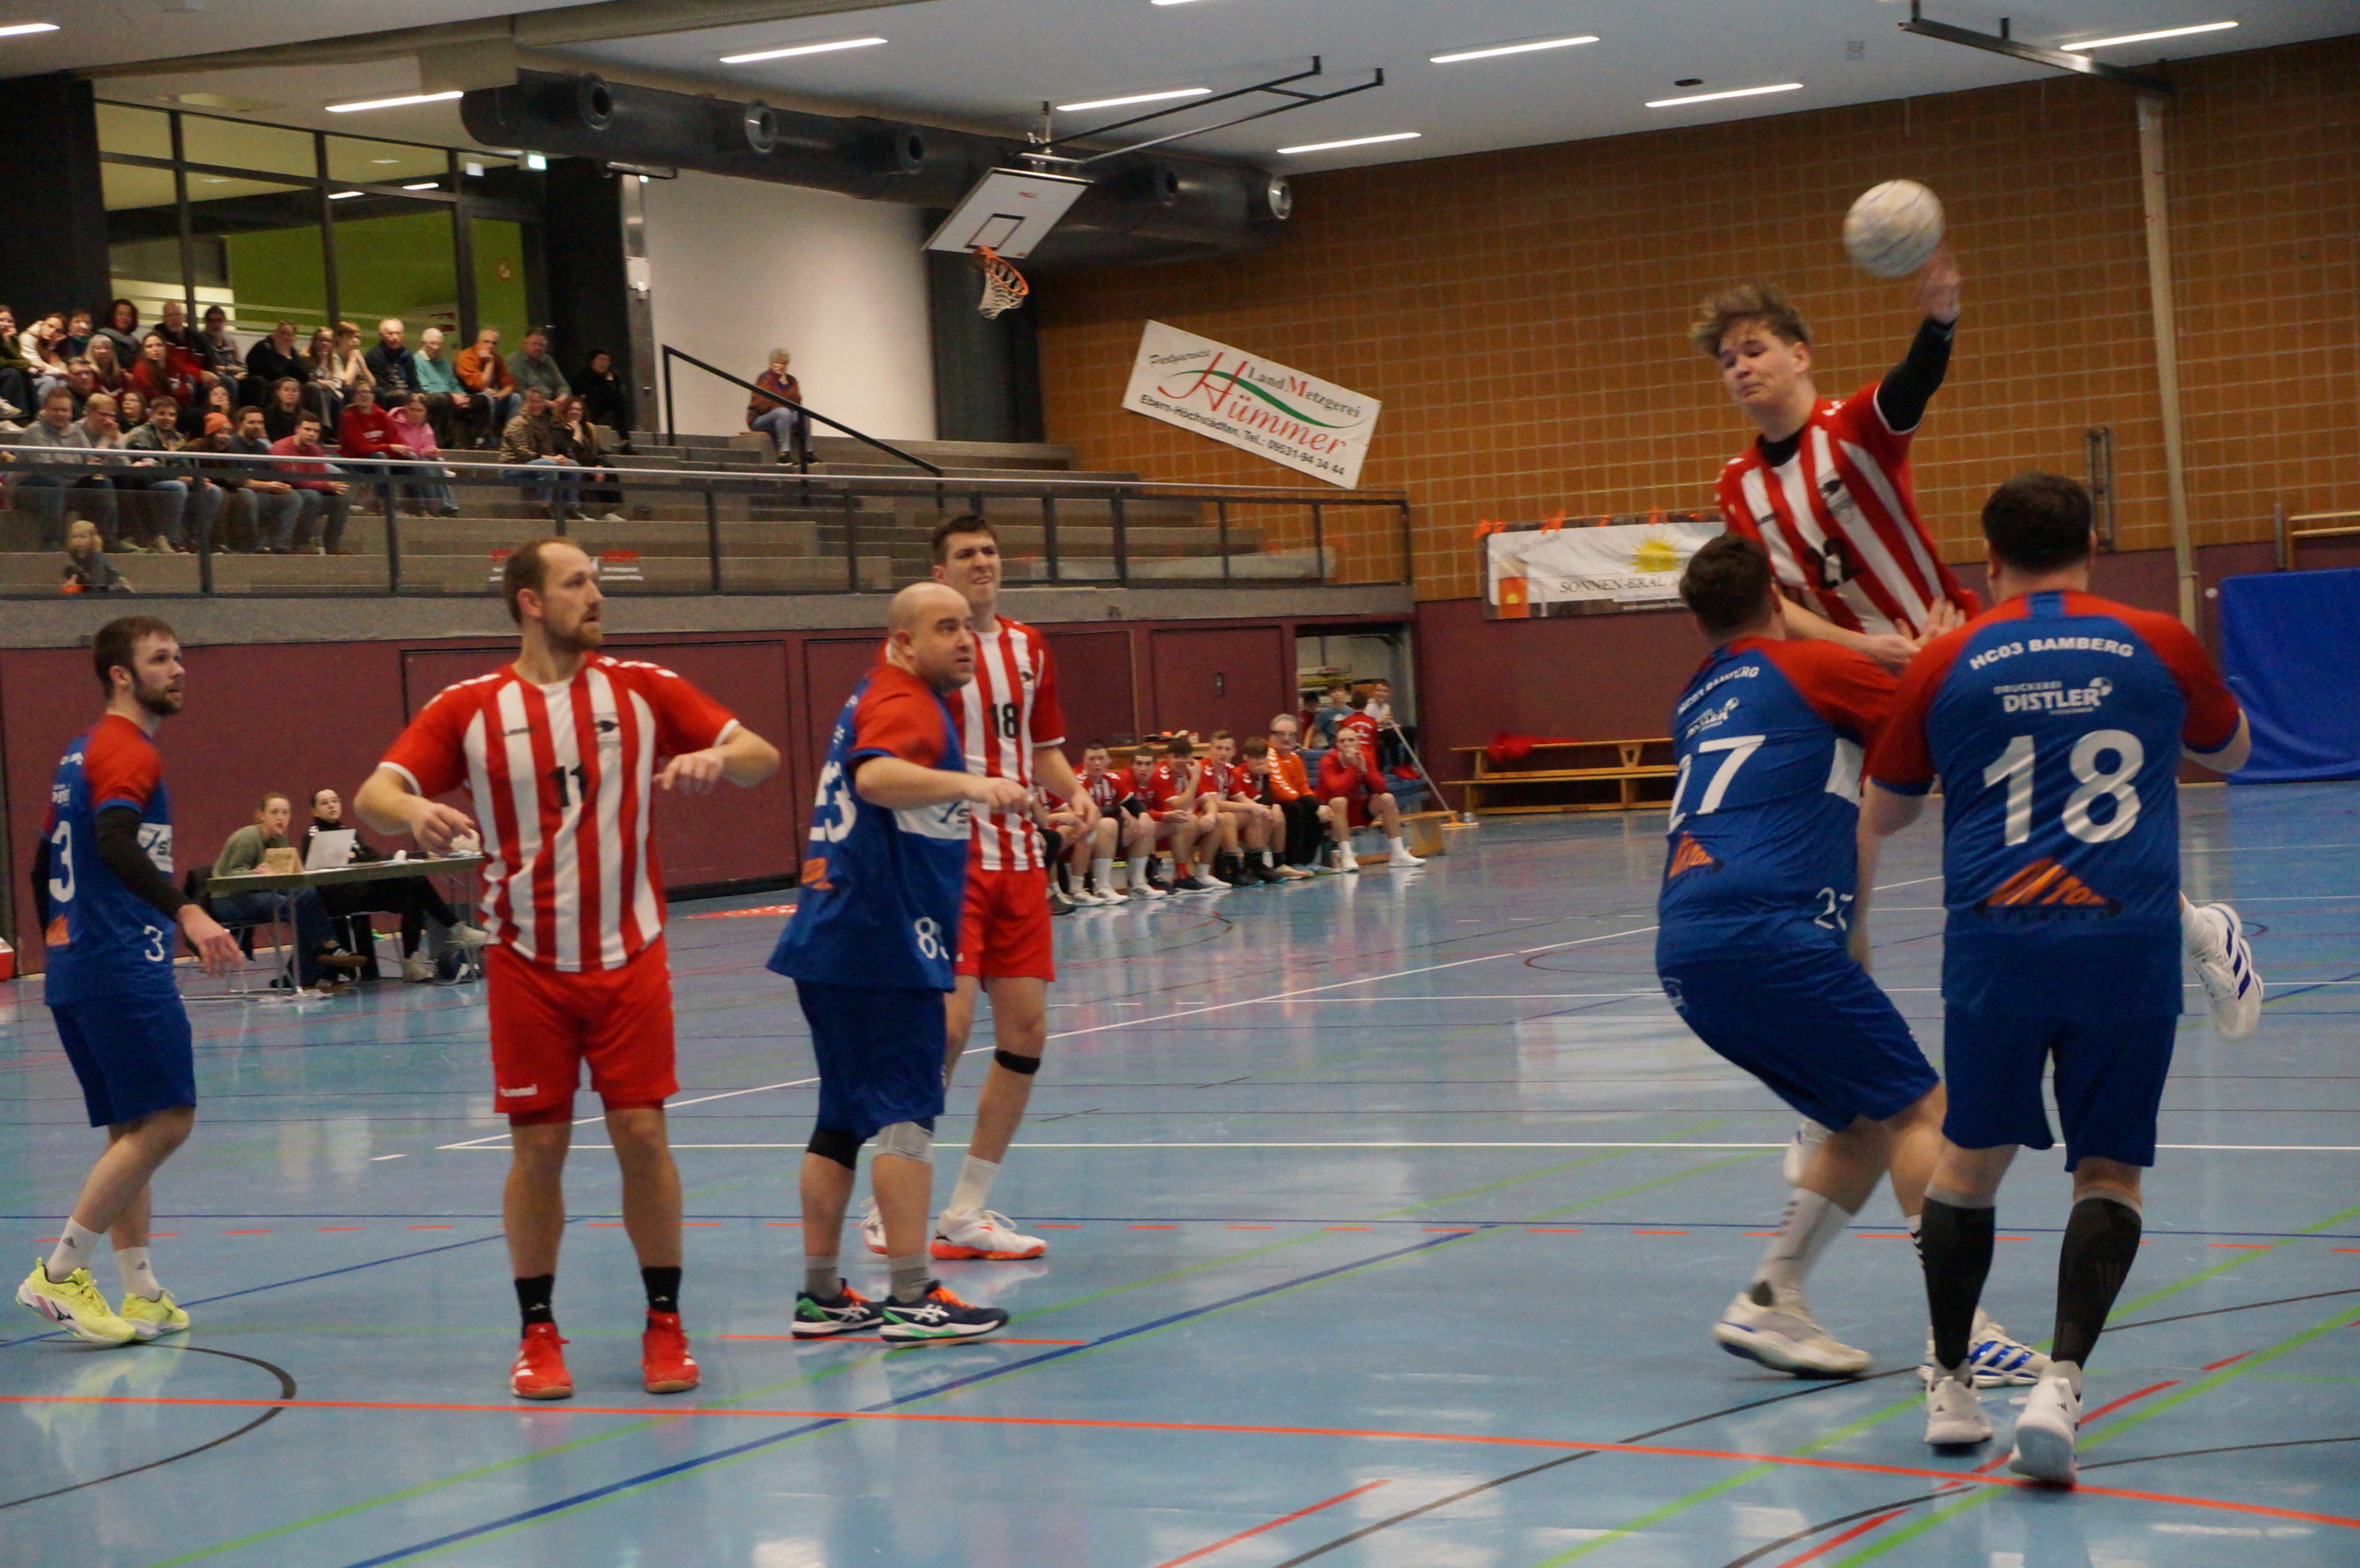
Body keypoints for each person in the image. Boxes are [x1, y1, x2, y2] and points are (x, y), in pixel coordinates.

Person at [1863, 473, 2258, 1481]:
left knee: (1967, 1163)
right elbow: (2232, 751)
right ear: (2092, 546)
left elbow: (1890, 806)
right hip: (2123, 942)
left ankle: (1952, 1387)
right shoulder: (2157, 639)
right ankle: (2061, 1385)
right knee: (2109, 1171)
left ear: (1988, 559)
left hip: (1994, 944)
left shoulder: (1947, 655)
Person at [355, 536, 781, 1400]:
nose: (596, 594)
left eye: (597, 580)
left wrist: (717, 757)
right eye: (577, 581)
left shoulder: (642, 687)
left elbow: (761, 754)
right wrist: (414, 807)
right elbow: (375, 795)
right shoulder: (469, 706)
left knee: (644, 1136)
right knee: (539, 1146)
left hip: (629, 953)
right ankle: (538, 1330)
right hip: (526, 960)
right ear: (530, 601)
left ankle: (665, 1322)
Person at [1655, 534, 2041, 1385]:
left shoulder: (1697, 696)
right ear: (1777, 598)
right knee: (1923, 1113)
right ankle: (1964, 1333)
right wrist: (1934, 649)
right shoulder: (1811, 668)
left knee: (1859, 1124)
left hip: (1688, 944)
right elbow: (1943, 712)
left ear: (1695, 619)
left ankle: (1770, 1297)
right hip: (1768, 930)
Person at [773, 582, 1029, 1342]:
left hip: (831, 936)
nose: (964, 638)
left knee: (839, 1120)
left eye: (967, 625)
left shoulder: (876, 691)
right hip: (881, 940)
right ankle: (914, 1294)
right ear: (903, 642)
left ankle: (821, 1293)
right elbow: (876, 778)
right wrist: (974, 783)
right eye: (945, 627)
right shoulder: (904, 700)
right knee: (906, 1114)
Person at [851, 515, 1076, 1265]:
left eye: (990, 550)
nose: (983, 561)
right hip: (948, 860)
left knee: (1026, 1033)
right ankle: (889, 1203)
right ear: (939, 574)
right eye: (966, 554)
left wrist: (1076, 795)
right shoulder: (918, 656)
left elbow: (1043, 751)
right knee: (943, 1031)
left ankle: (966, 1210)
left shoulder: (1028, 647)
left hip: (1020, 860)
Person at [16, 619, 242, 1347]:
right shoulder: (126, 749)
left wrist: (62, 943)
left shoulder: (78, 752)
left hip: (79, 965)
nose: (178, 669)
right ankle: (59, 1272)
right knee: (169, 1120)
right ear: (121, 674)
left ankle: (141, 1291)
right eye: (160, 658)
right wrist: (188, 911)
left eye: (180, 656)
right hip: (120, 964)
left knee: (133, 1127)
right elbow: (114, 841)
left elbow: (41, 864)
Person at [1698, 265, 1976, 672]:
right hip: (1844, 675)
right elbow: (1770, 600)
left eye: (1754, 352)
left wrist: (1939, 323)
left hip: (1940, 645)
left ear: (1799, 357)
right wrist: (1865, 649)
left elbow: (1914, 381)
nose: (1740, 368)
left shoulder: (1853, 425)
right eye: (1728, 362)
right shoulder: (1736, 484)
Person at [301, 785, 485, 983]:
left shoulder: (348, 833)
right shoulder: (313, 835)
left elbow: (372, 860)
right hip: (338, 898)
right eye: (325, 803)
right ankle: (456, 929)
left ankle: (411, 960)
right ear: (314, 811)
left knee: (414, 885)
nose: (331, 806)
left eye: (335, 801)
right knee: (412, 887)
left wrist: (417, 856)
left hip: (363, 890)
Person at [211, 793, 369, 994]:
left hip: (257, 892)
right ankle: (322, 952)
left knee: (307, 894)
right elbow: (228, 875)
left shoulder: (279, 838)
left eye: (285, 813)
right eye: (274, 812)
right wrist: (253, 872)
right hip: (228, 899)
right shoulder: (248, 837)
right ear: (261, 815)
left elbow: (282, 872)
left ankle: (307, 970)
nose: (281, 818)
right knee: (296, 906)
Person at [6, 384, 119, 548]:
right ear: (45, 409)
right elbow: (45, 468)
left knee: (102, 484)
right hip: (30, 488)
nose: (60, 414)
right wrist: (80, 468)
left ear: (71, 412)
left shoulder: (77, 432)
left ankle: (108, 541)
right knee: (54, 483)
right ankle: (51, 543)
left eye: (65, 410)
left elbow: (91, 461)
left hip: (67, 485)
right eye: (56, 409)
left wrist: (105, 441)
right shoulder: (34, 431)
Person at [1317, 728, 1423, 871]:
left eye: (1351, 740)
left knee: (1387, 799)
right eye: (1342, 741)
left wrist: (1365, 770)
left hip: (1357, 809)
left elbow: (1381, 787)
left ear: (1358, 742)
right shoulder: (1328, 760)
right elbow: (1337, 791)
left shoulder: (1365, 756)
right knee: (1339, 801)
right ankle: (1347, 855)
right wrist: (1353, 767)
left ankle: (1398, 853)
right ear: (1337, 745)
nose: (1347, 744)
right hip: (1331, 814)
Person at [1077, 743, 1154, 901]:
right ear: (1084, 761)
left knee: (1146, 823)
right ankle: (1101, 886)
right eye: (1092, 759)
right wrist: (1118, 810)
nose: (1097, 763)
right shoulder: (1077, 780)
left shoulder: (1112, 779)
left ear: (1108, 761)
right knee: (1108, 824)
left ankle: (1137, 883)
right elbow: (1087, 813)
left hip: (1106, 834)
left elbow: (1133, 803)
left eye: (1101, 759)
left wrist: (1143, 814)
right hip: (1082, 832)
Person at [269, 411, 353, 554]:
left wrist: (330, 486)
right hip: (284, 490)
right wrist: (326, 486)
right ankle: (301, 542)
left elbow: (321, 476)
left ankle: (332, 545)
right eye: (307, 429)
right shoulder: (282, 448)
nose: (311, 434)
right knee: (312, 496)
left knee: (342, 498)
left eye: (316, 431)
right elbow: (295, 479)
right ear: (297, 429)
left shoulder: (315, 450)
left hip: (309, 488)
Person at [224, 405, 303, 552]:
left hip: (263, 492)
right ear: (240, 424)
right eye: (251, 422)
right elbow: (234, 479)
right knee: (248, 496)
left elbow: (271, 474)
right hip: (238, 492)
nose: (257, 426)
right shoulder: (231, 445)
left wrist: (280, 486)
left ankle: (281, 544)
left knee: (293, 498)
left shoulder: (262, 447)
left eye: (260, 422)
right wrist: (266, 486)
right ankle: (253, 545)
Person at [501, 385, 584, 517]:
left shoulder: (545, 423)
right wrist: (552, 459)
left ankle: (571, 507)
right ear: (525, 403)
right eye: (532, 401)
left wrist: (559, 459)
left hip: (538, 464)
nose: (536, 405)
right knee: (549, 465)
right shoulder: (517, 423)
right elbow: (523, 454)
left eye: (539, 402)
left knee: (572, 465)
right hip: (514, 468)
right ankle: (544, 506)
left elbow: (548, 449)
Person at [1265, 714, 1324, 875]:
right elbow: (1278, 789)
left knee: (1318, 808)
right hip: (1271, 803)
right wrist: (1308, 803)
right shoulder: (1268, 755)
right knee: (1296, 807)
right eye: (1281, 734)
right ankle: (1292, 861)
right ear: (1271, 735)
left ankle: (1307, 861)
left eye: (1291, 735)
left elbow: (1303, 786)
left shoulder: (1294, 758)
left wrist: (1316, 806)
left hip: (1291, 800)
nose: (1286, 738)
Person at [388, 391, 462, 517]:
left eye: (420, 410)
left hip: (421, 459)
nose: (415, 413)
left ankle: (449, 504)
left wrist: (433, 451)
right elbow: (402, 447)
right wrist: (423, 452)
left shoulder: (426, 427)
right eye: (412, 409)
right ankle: (439, 505)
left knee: (438, 462)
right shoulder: (394, 423)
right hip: (402, 459)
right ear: (405, 409)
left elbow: (429, 445)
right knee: (424, 463)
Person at [414, 326, 478, 448]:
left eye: (439, 344)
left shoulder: (444, 363)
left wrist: (463, 397)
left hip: (450, 396)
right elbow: (425, 387)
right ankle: (446, 443)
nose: (436, 347)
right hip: (433, 397)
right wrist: (452, 396)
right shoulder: (417, 361)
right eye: (432, 343)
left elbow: (454, 384)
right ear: (423, 344)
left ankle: (477, 442)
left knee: (480, 400)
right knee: (444, 399)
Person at [456, 327, 520, 439]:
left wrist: (500, 395)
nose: (490, 346)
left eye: (494, 343)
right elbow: (480, 385)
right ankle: (488, 439)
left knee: (515, 398)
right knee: (486, 398)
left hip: (492, 396)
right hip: (470, 398)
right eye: (486, 342)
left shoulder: (496, 358)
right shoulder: (466, 356)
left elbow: (510, 384)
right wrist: (489, 363)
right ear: (478, 342)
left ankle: (511, 438)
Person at [747, 348, 807, 464]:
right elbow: (762, 405)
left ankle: (807, 452)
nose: (780, 366)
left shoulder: (791, 380)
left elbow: (797, 401)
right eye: (777, 363)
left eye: (783, 363)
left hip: (785, 416)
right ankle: (784, 453)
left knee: (803, 414)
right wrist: (783, 406)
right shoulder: (764, 379)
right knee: (783, 412)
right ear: (771, 364)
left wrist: (785, 385)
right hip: (759, 419)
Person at [242, 321, 305, 408]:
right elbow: (272, 372)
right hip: (266, 383)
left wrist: (289, 358)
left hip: (287, 384)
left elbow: (303, 377)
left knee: (308, 387)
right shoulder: (263, 347)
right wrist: (282, 356)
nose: (284, 337)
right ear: (275, 333)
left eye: (288, 335)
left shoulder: (292, 352)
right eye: (282, 333)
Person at [60, 518, 129, 595]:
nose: (78, 540)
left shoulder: (94, 555)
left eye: (82, 537)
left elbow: (99, 575)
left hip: (109, 580)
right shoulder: (74, 553)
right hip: (90, 578)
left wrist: (96, 589)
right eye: (74, 537)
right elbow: (75, 570)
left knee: (114, 588)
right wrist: (73, 580)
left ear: (92, 539)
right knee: (69, 569)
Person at [506, 327, 570, 404]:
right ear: (524, 344)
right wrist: (546, 403)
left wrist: (562, 397)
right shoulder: (514, 361)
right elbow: (519, 390)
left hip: (553, 403)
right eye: (534, 344)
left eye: (541, 345)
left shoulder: (548, 361)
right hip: (527, 405)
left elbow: (562, 385)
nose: (538, 348)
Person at [576, 348, 630, 437]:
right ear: (592, 361)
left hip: (606, 402)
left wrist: (610, 383)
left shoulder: (612, 375)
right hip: (590, 404)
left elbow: (617, 391)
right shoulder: (583, 375)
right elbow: (583, 394)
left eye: (607, 360)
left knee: (619, 400)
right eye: (601, 359)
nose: (604, 363)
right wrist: (607, 385)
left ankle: (623, 436)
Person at [363, 318, 419, 399]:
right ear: (381, 335)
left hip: (409, 396)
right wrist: (409, 396)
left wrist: (418, 393)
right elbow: (380, 386)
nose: (395, 337)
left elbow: (414, 381)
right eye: (390, 334)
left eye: (398, 333)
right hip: (388, 398)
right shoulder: (373, 356)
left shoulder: (407, 354)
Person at [97, 299, 142, 367]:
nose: (125, 318)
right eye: (120, 314)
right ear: (112, 316)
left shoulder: (136, 344)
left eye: (129, 315)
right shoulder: (102, 339)